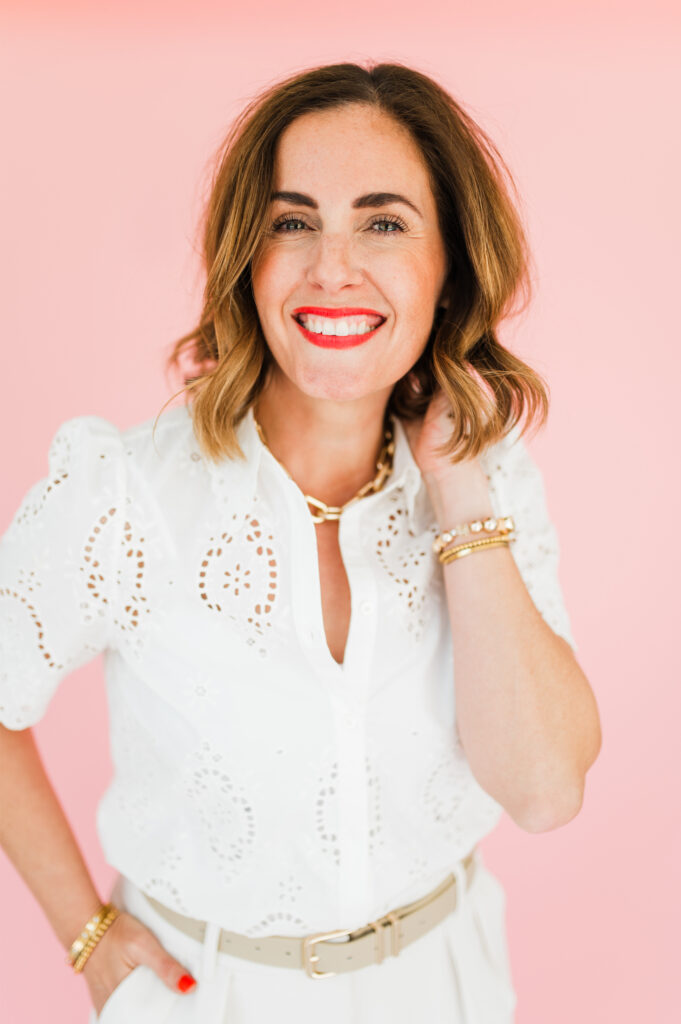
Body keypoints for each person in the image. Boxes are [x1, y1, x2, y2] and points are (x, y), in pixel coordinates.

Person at [0, 60, 601, 1023]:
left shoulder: (487, 478)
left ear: (449, 269)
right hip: (204, 994)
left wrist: (455, 489)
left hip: (445, 980)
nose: (331, 267)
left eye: (383, 223)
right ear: (248, 257)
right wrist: (85, 932)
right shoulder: (128, 494)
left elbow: (542, 790)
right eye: (292, 223)